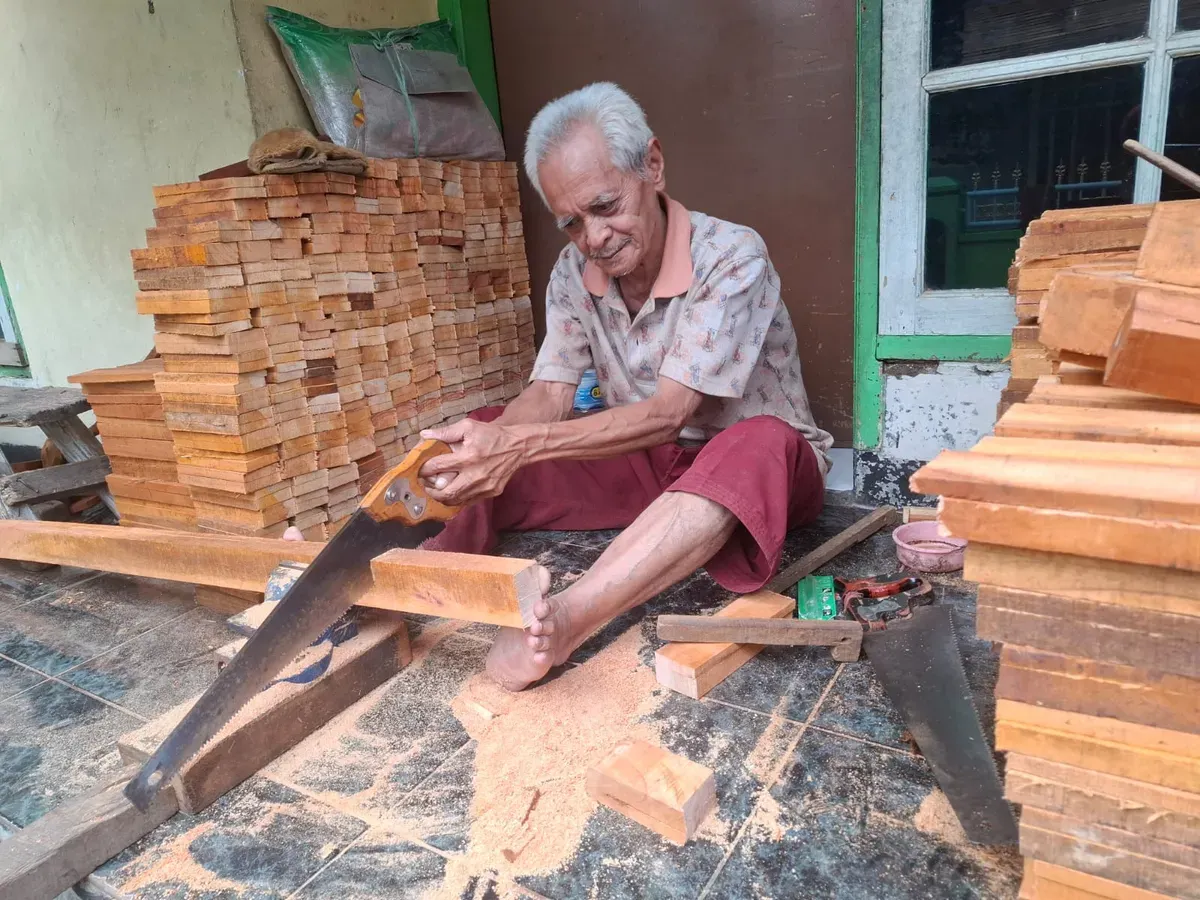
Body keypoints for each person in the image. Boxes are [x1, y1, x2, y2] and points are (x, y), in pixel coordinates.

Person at [290, 82, 834, 692]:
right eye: (572, 223)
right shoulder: (576, 270)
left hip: (758, 472)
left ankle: (571, 618)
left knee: (757, 438)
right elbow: (549, 394)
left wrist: (520, 447)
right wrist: (491, 443)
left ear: (652, 166)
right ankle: (388, 573)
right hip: (647, 464)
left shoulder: (733, 256)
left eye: (606, 207)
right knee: (489, 425)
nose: (594, 238)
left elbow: (668, 412)